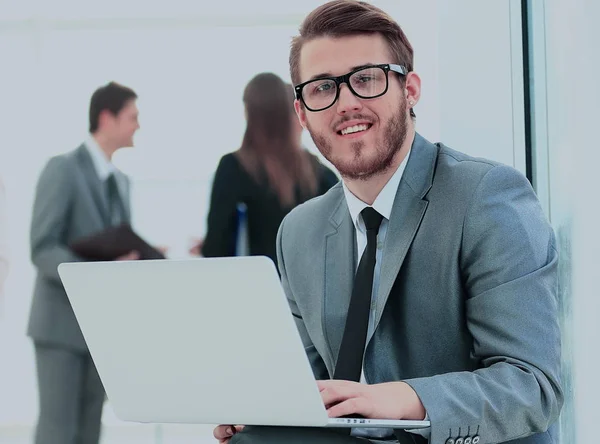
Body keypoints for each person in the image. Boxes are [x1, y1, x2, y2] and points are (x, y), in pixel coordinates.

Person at [214, 1, 562, 443]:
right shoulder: (300, 230)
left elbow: (533, 386)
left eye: (366, 79)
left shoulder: (487, 197)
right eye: (323, 88)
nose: (347, 104)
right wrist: (258, 407)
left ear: (410, 90)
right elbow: (306, 387)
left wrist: (404, 400)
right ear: (301, 114)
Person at [28, 81, 141, 444]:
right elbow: (43, 247)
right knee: (57, 432)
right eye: (132, 117)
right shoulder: (62, 169)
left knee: (90, 431)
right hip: (61, 328)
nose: (138, 125)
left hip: (100, 330)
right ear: (106, 118)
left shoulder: (121, 182)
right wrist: (92, 275)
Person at [198, 72, 338, 265]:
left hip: (257, 289)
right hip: (313, 290)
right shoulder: (320, 173)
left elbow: (216, 246)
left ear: (249, 112)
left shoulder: (233, 167)